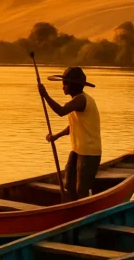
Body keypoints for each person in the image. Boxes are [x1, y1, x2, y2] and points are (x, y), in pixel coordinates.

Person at [38, 66, 101, 202]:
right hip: (77, 150)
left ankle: (82, 214)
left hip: (89, 152)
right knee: (68, 184)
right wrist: (57, 136)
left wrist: (45, 95)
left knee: (81, 189)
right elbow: (74, 126)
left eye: (65, 84)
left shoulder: (81, 100)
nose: (63, 88)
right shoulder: (76, 101)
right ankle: (72, 209)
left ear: (73, 85)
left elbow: (60, 111)